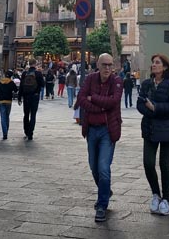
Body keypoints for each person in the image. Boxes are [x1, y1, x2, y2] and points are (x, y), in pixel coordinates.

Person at [75, 53, 123, 223]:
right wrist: (100, 107)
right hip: (91, 130)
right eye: (104, 65)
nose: (108, 68)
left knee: (103, 168)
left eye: (110, 65)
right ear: (98, 65)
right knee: (93, 167)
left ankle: (102, 204)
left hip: (107, 131)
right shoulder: (90, 79)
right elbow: (81, 99)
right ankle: (105, 189)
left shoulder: (117, 81)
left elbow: (114, 101)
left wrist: (93, 99)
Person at [137, 54, 169, 217]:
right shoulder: (147, 84)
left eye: (157, 63)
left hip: (168, 129)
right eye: (153, 62)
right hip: (150, 128)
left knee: (164, 164)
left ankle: (166, 200)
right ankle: (156, 194)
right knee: (148, 163)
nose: (154, 65)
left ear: (165, 67)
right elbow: (140, 104)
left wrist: (154, 108)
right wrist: (151, 110)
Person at [18, 59, 44, 140]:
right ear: (35, 64)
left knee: (26, 114)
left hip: (26, 96)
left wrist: (19, 97)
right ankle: (30, 133)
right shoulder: (38, 73)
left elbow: (21, 86)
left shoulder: (25, 73)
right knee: (33, 115)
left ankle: (26, 130)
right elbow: (43, 84)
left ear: (29, 64)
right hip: (35, 96)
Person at [0, 69, 18, 140]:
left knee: (3, 117)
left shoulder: (0, 82)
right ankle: (6, 129)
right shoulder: (11, 82)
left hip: (1, 101)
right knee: (7, 116)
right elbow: (16, 90)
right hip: (8, 101)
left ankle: (4, 133)